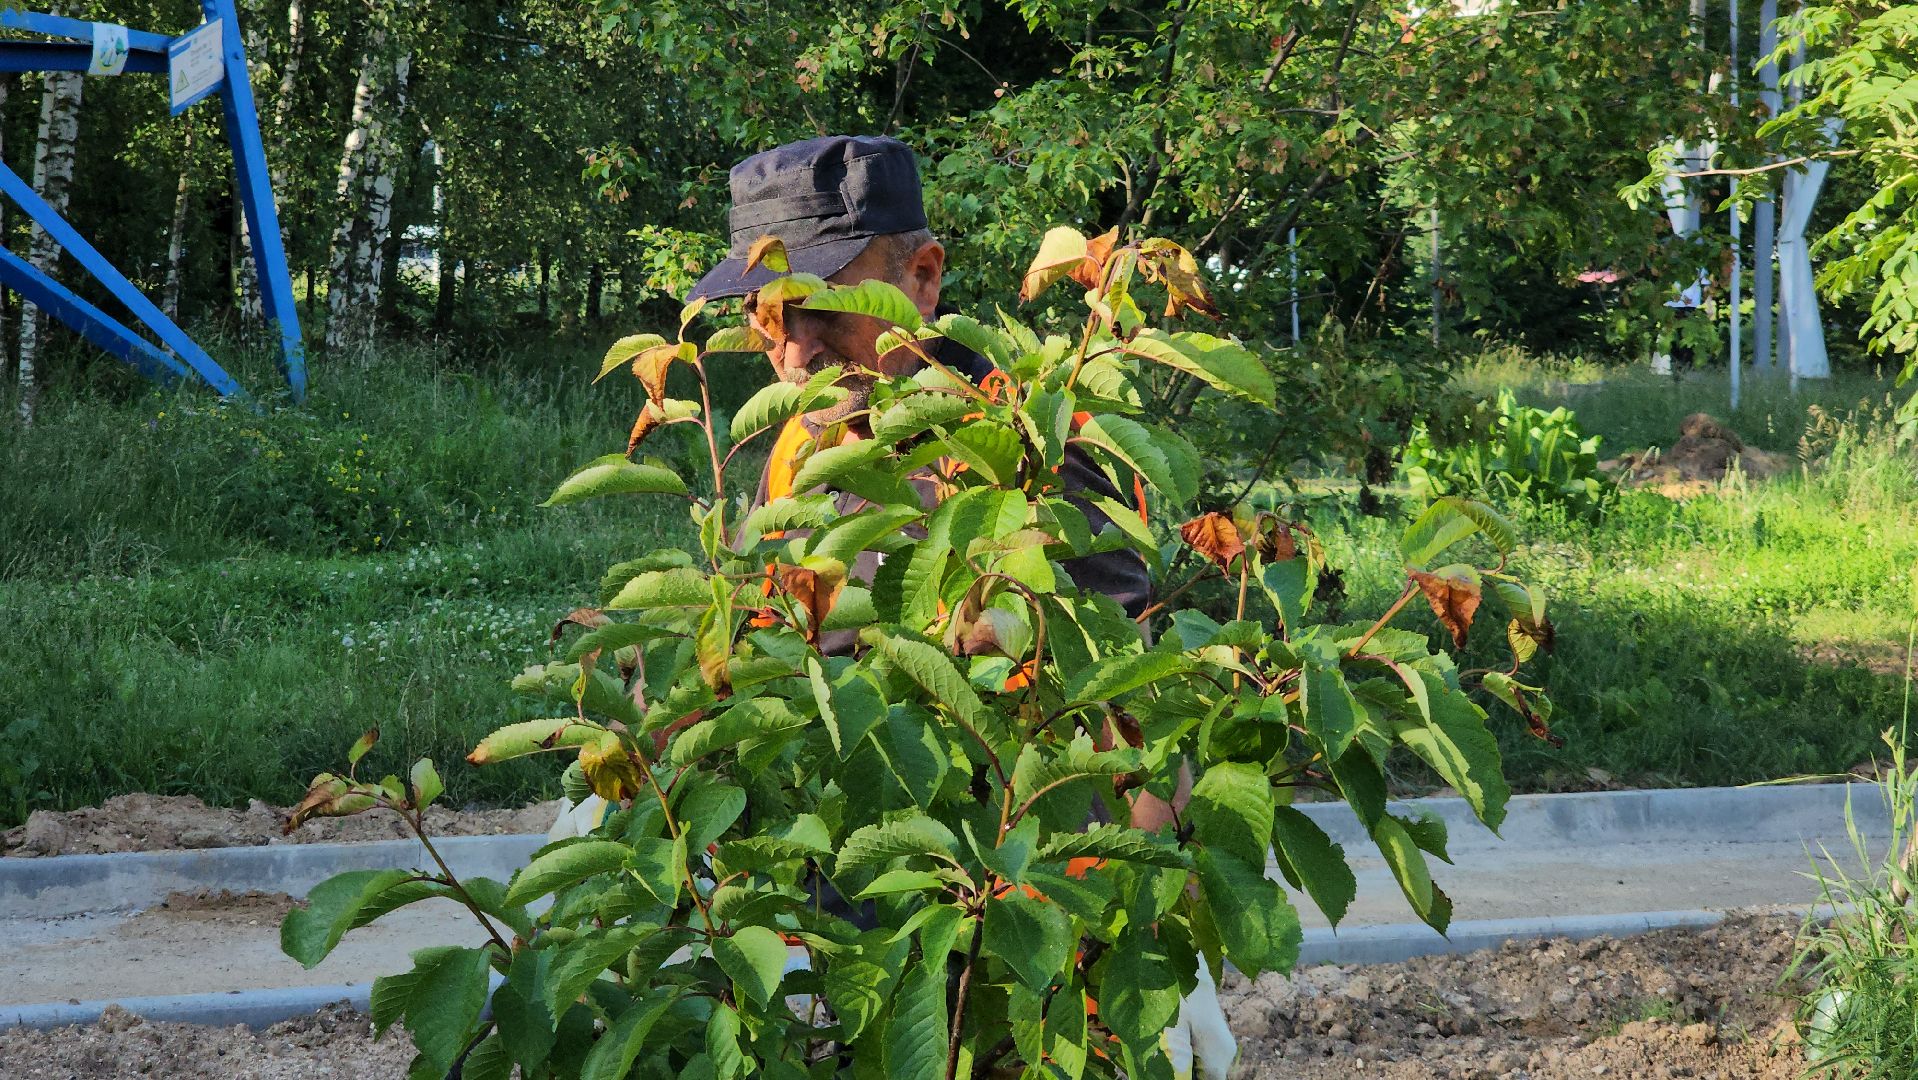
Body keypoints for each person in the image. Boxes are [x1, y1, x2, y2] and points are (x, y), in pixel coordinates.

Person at [555, 134, 1236, 1079]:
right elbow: (758, 640)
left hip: (1013, 928)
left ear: (921, 277)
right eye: (768, 315)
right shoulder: (803, 440)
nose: (794, 351)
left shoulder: (1026, 443)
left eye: (827, 306)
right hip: (849, 905)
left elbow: (1127, 704)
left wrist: (1130, 938)